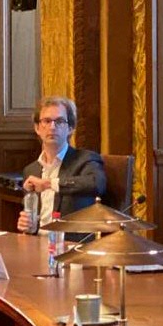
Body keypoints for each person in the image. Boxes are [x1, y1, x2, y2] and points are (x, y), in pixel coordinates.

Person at [16, 96, 106, 237]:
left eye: (59, 121)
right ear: (37, 128)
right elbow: (32, 220)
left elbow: (97, 184)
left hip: (70, 245)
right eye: (47, 121)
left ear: (70, 128)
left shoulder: (85, 160)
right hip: (36, 243)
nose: (52, 127)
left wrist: (48, 184)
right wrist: (28, 225)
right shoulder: (30, 170)